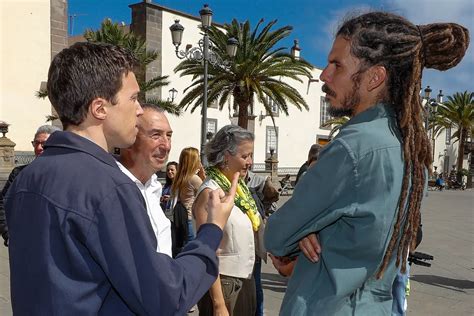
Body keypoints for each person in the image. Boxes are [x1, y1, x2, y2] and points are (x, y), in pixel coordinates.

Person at [5, 42, 239, 315]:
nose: (139, 110)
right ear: (100, 108)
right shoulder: (108, 186)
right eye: (133, 98)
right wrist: (211, 231)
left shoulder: (28, 177)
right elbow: (164, 297)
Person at [265, 12, 469, 315]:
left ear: (375, 77)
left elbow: (277, 236)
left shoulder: (352, 148)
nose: (324, 75)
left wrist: (303, 232)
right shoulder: (412, 150)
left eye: (337, 65)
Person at [194, 125, 263, 316]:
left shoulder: (240, 189)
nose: (250, 162)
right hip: (224, 286)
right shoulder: (210, 193)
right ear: (226, 156)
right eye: (245, 156)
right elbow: (207, 251)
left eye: (251, 155)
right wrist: (218, 304)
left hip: (246, 281)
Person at [117, 103, 173, 256]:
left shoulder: (154, 186)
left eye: (168, 135)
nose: (166, 145)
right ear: (129, 139)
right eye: (156, 135)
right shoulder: (111, 188)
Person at [0, 124, 60, 246]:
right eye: (36, 143)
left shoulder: (67, 175)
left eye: (43, 143)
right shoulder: (19, 173)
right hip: (25, 244)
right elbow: (3, 203)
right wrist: (7, 233)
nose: (38, 147)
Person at [245, 170, 279, 316]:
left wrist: (263, 210)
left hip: (254, 238)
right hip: (241, 240)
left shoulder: (258, 180)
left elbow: (274, 196)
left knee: (256, 282)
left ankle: (258, 313)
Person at [170, 147, 205, 255]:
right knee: (192, 249)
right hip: (190, 219)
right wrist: (203, 177)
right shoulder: (194, 179)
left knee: (184, 248)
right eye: (198, 157)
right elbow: (207, 194)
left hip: (181, 217)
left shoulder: (180, 177)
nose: (200, 160)